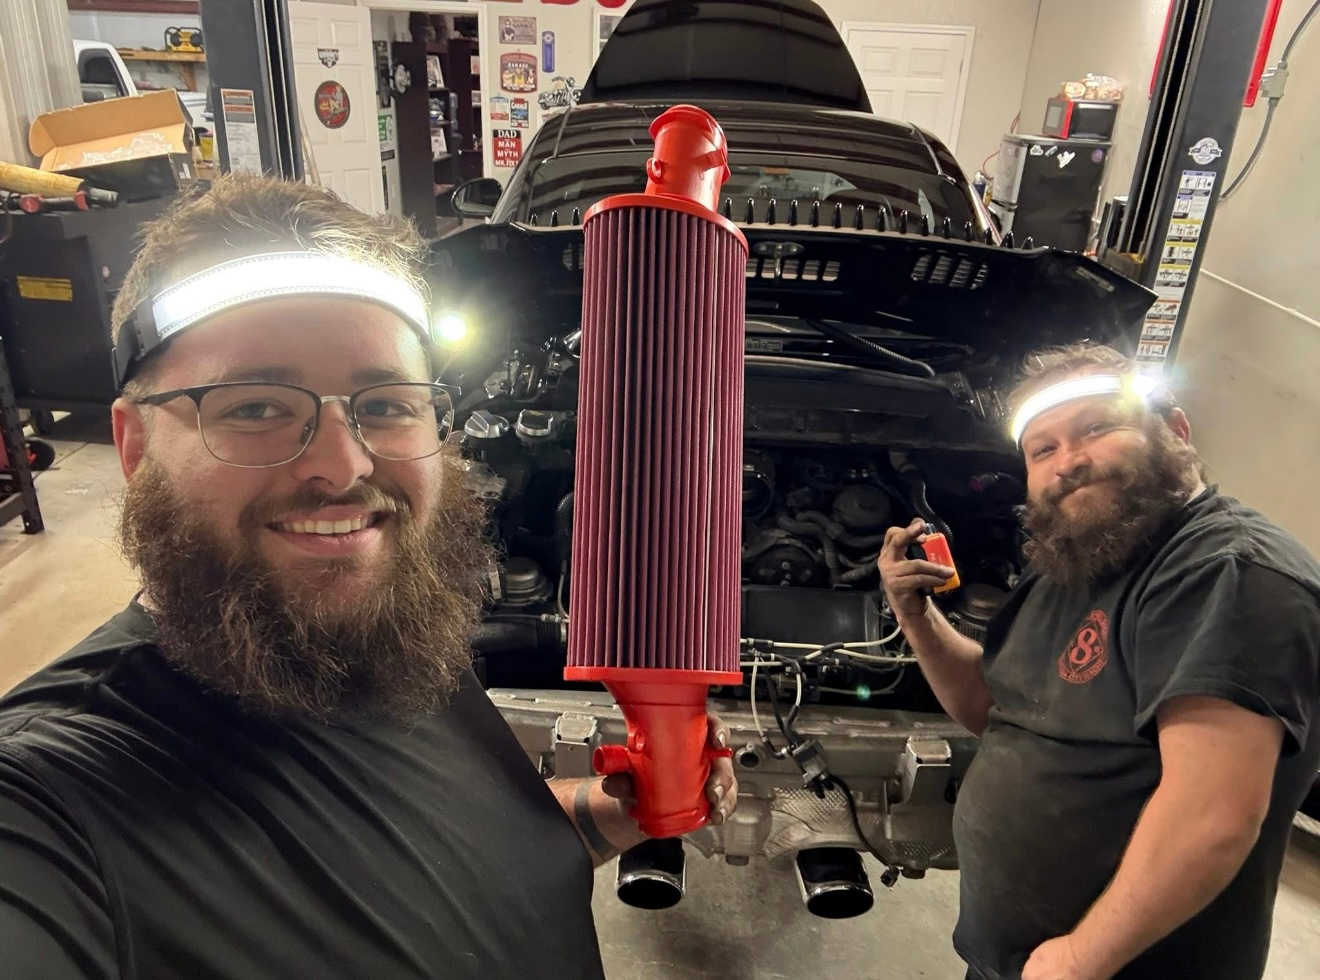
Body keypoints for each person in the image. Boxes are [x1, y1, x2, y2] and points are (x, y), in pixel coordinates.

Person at [0, 174, 736, 979]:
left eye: (385, 403)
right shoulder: (51, 800)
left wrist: (604, 815)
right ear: (135, 448)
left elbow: (452, 862)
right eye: (255, 407)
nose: (344, 466)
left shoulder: (384, 633)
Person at [878, 342, 1320, 980]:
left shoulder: (1226, 571)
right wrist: (915, 615)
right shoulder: (1078, 562)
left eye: (1096, 428)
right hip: (1021, 961)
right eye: (1043, 449)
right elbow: (994, 707)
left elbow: (1212, 816)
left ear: (1174, 430)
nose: (1069, 463)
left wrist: (1081, 958)